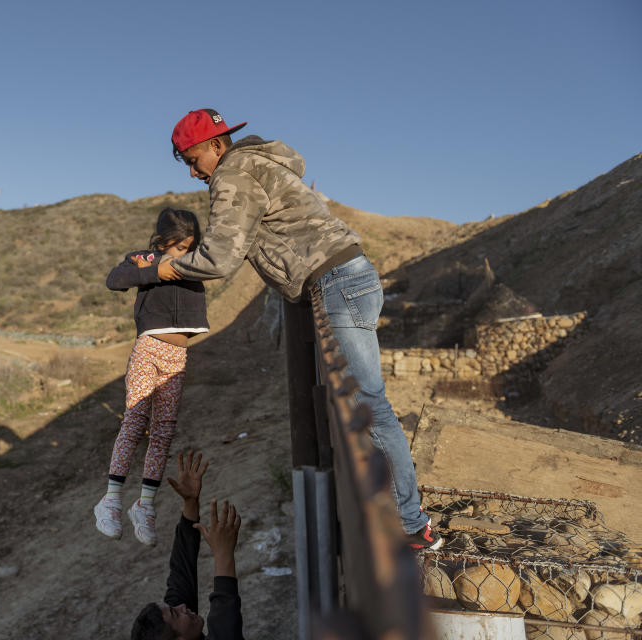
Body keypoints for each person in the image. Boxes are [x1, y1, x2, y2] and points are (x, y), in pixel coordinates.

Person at [158, 108, 441, 550]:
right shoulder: (258, 165)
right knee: (358, 404)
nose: (194, 173)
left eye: (193, 159)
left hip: (337, 283)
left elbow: (221, 257)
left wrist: (167, 267)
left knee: (370, 406)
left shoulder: (233, 174)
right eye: (186, 164)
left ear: (216, 146)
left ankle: (411, 524)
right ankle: (394, 513)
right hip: (346, 277)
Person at [94, 208, 209, 546]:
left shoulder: (199, 262)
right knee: (135, 420)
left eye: (190, 247)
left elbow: (221, 258)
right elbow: (115, 279)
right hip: (148, 349)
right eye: (179, 248)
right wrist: (155, 270)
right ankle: (110, 499)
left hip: (178, 356)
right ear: (162, 242)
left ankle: (144, 505)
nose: (184, 255)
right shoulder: (145, 259)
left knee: (163, 431)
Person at [130, 451, 244, 640]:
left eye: (173, 608)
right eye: (176, 613)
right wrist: (223, 553)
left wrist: (190, 503)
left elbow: (182, 568)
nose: (182, 606)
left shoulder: (178, 625)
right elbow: (225, 616)